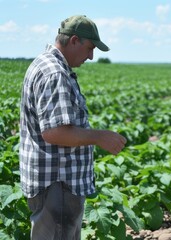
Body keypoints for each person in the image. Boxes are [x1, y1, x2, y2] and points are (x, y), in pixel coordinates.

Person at [19, 15, 126, 240]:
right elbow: (54, 132)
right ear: (74, 40)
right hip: (58, 183)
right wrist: (99, 137)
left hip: (55, 182)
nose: (91, 56)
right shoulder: (54, 73)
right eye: (89, 48)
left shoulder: (47, 64)